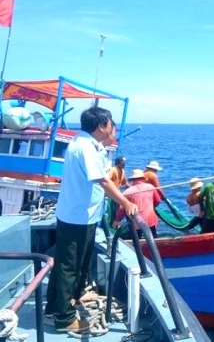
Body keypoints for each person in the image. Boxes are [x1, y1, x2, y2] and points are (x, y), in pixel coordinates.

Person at [44, 106, 137, 334]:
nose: (113, 126)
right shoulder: (85, 147)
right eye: (110, 123)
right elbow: (104, 182)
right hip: (77, 216)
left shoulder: (88, 144)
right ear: (101, 126)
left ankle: (56, 308)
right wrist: (125, 203)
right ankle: (64, 319)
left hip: (80, 215)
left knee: (71, 264)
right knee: (69, 267)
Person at [114, 169, 162, 238]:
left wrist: (117, 220)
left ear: (133, 180)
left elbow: (122, 208)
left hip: (136, 223)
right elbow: (158, 201)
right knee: (153, 240)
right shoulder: (151, 187)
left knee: (137, 242)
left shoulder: (127, 192)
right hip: (150, 221)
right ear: (143, 178)